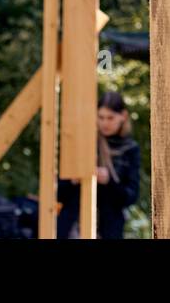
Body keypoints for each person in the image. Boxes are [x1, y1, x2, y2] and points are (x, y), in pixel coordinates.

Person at [56, 91, 141, 239]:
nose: (105, 123)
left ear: (123, 116)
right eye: (100, 117)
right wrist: (73, 179)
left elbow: (131, 197)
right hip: (72, 228)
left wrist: (109, 182)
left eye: (110, 118)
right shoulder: (83, 142)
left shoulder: (130, 149)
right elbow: (59, 193)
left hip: (108, 229)